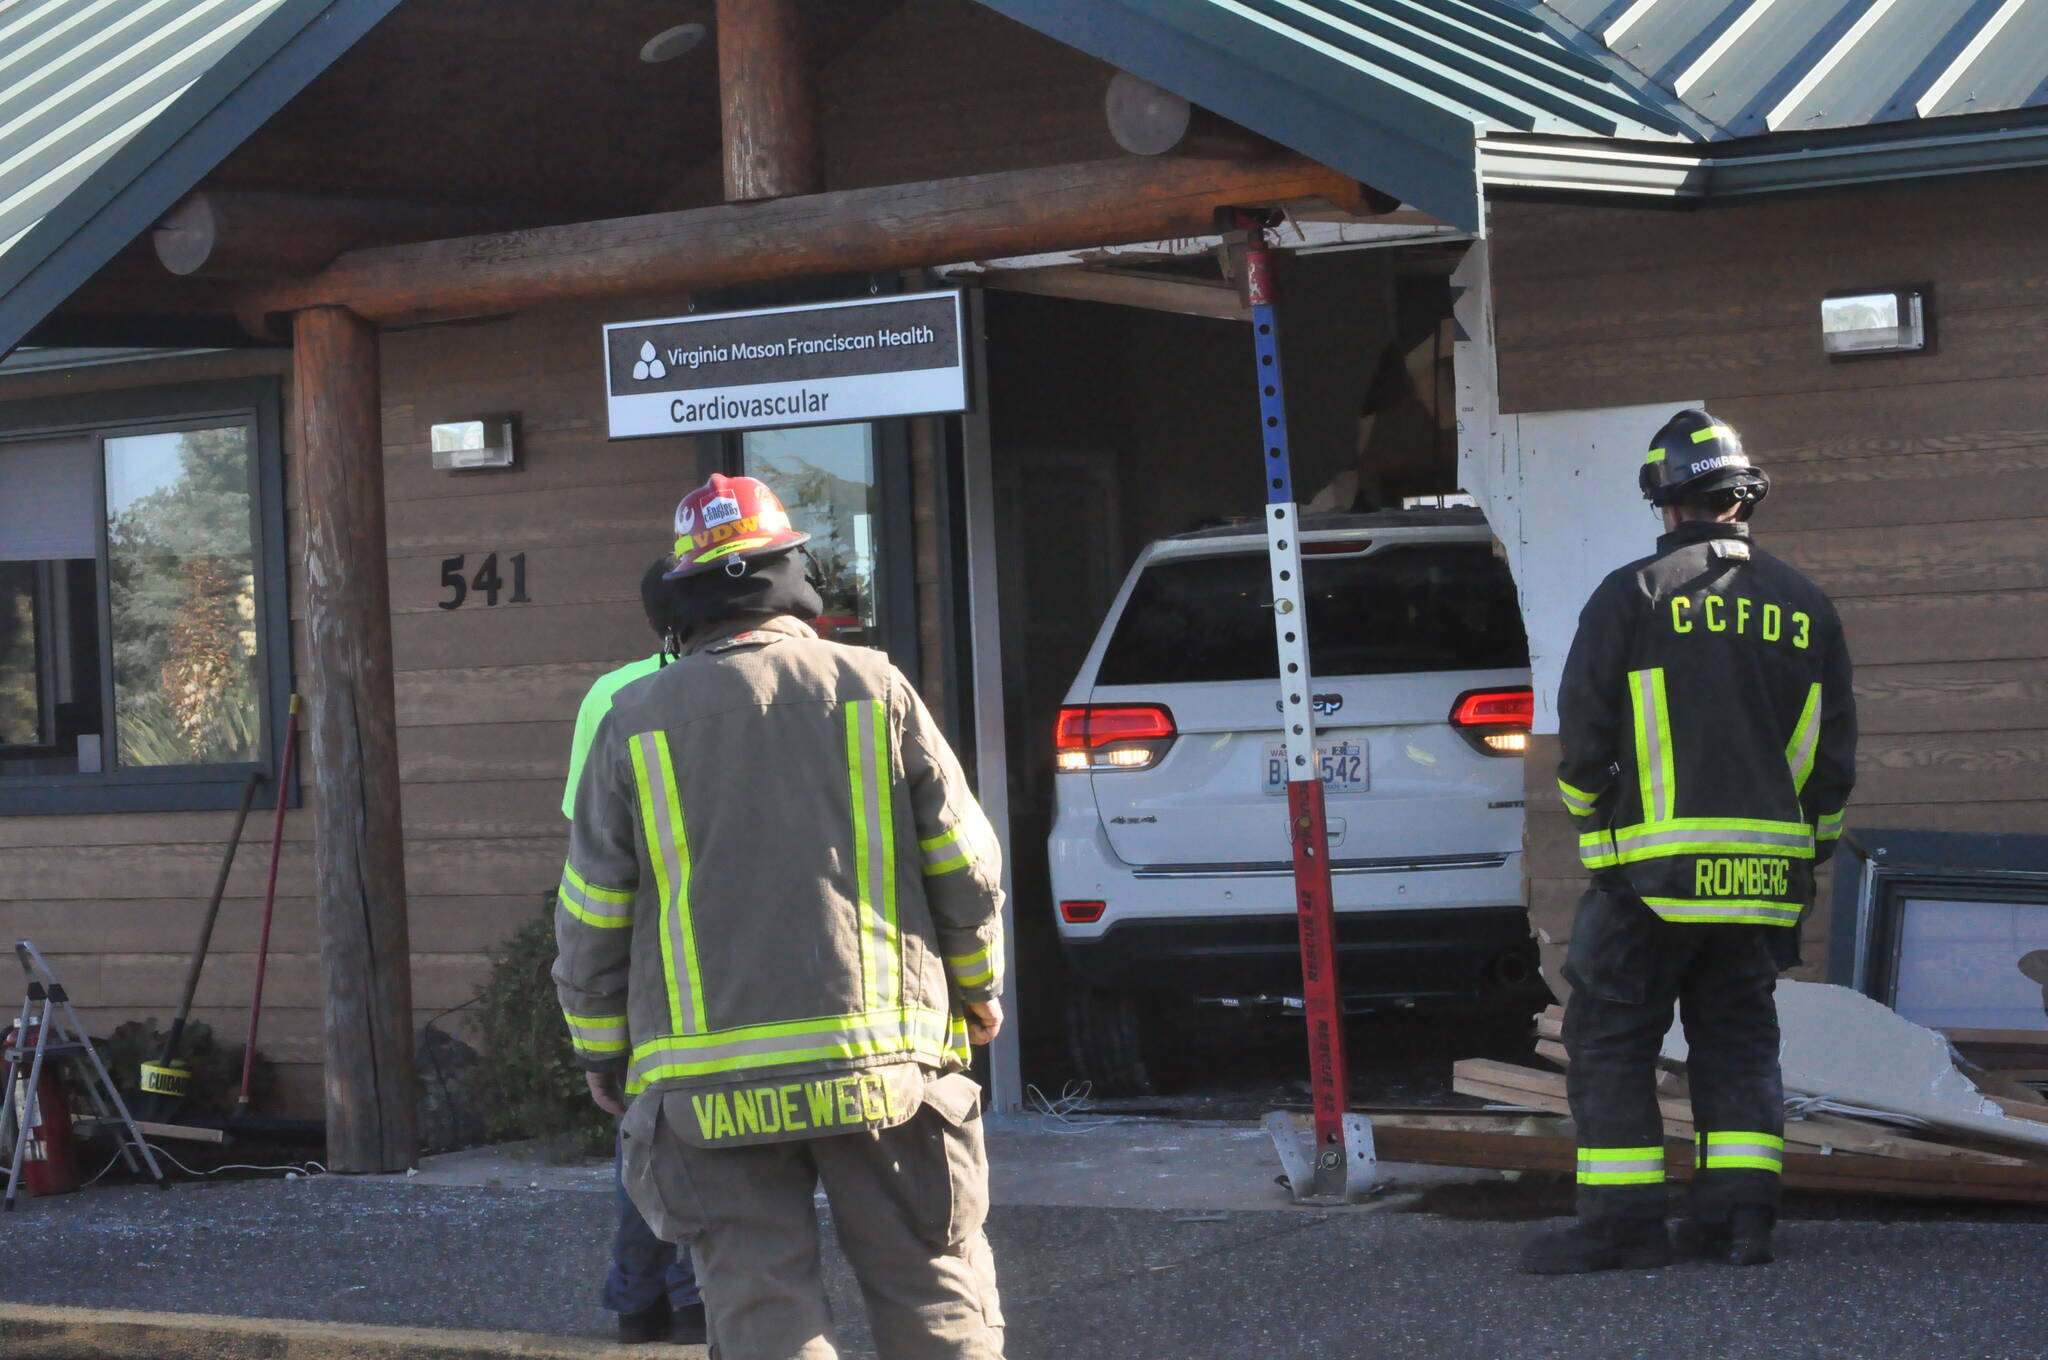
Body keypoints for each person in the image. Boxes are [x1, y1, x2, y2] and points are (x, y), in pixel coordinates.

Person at [555, 473, 1007, 1359]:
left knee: (762, 1311)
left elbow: (592, 915)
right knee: (931, 1285)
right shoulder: (875, 687)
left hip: (709, 1090)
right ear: (794, 575)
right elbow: (966, 864)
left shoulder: (632, 719)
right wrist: (976, 988)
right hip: (883, 1070)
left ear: (683, 600)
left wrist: (601, 1047)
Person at [1521, 410, 1855, 1275]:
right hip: (1761, 883)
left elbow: (1583, 740)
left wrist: (1601, 846)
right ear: (1744, 498)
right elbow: (1829, 762)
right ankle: (1740, 1223)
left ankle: (1624, 1228)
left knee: (1608, 1039)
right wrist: (1801, 857)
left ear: (1665, 503)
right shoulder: (1806, 606)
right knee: (1739, 1039)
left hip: (1653, 879)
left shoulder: (1633, 595)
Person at [562, 560, 706, 1344]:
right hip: (703, 955)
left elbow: (586, 856)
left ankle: (638, 1298)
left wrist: (589, 995)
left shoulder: (609, 697)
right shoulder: (728, 695)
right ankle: (678, 1295)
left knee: (646, 1135)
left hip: (639, 957)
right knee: (684, 1139)